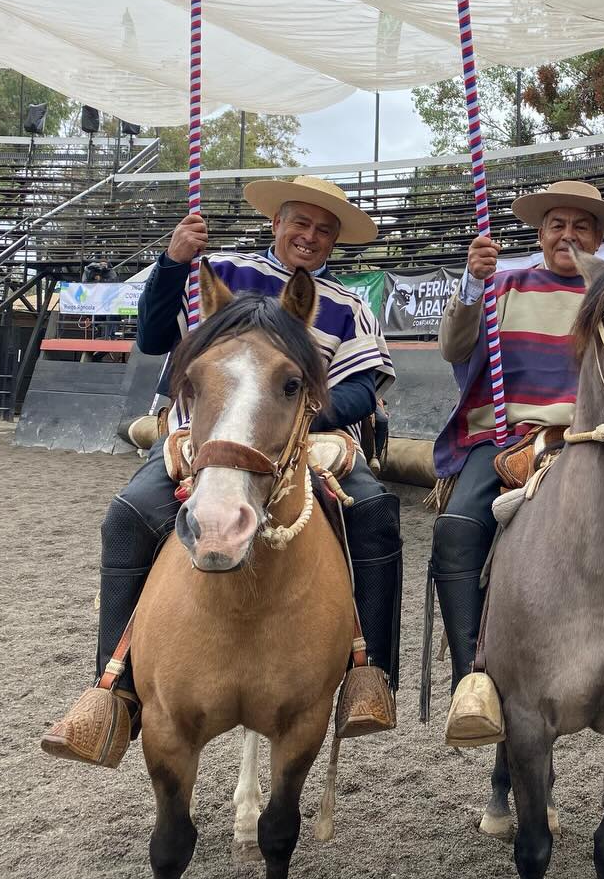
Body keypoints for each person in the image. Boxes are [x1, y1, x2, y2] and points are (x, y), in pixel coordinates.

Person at [42, 175, 402, 767]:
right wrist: (170, 263)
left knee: (378, 515)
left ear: (335, 241)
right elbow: (156, 334)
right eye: (299, 223)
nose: (309, 237)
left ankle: (369, 678)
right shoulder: (219, 276)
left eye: (323, 230)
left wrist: (291, 415)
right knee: (128, 516)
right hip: (203, 441)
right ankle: (113, 690)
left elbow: (364, 386)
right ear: (275, 224)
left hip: (304, 440)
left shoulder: (347, 305)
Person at [429, 180, 604, 742]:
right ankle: (475, 682)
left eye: (581, 226)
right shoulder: (502, 286)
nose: (568, 234)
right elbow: (454, 349)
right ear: (540, 234)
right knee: (457, 529)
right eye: (556, 224)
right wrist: (471, 283)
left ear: (598, 238)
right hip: (511, 442)